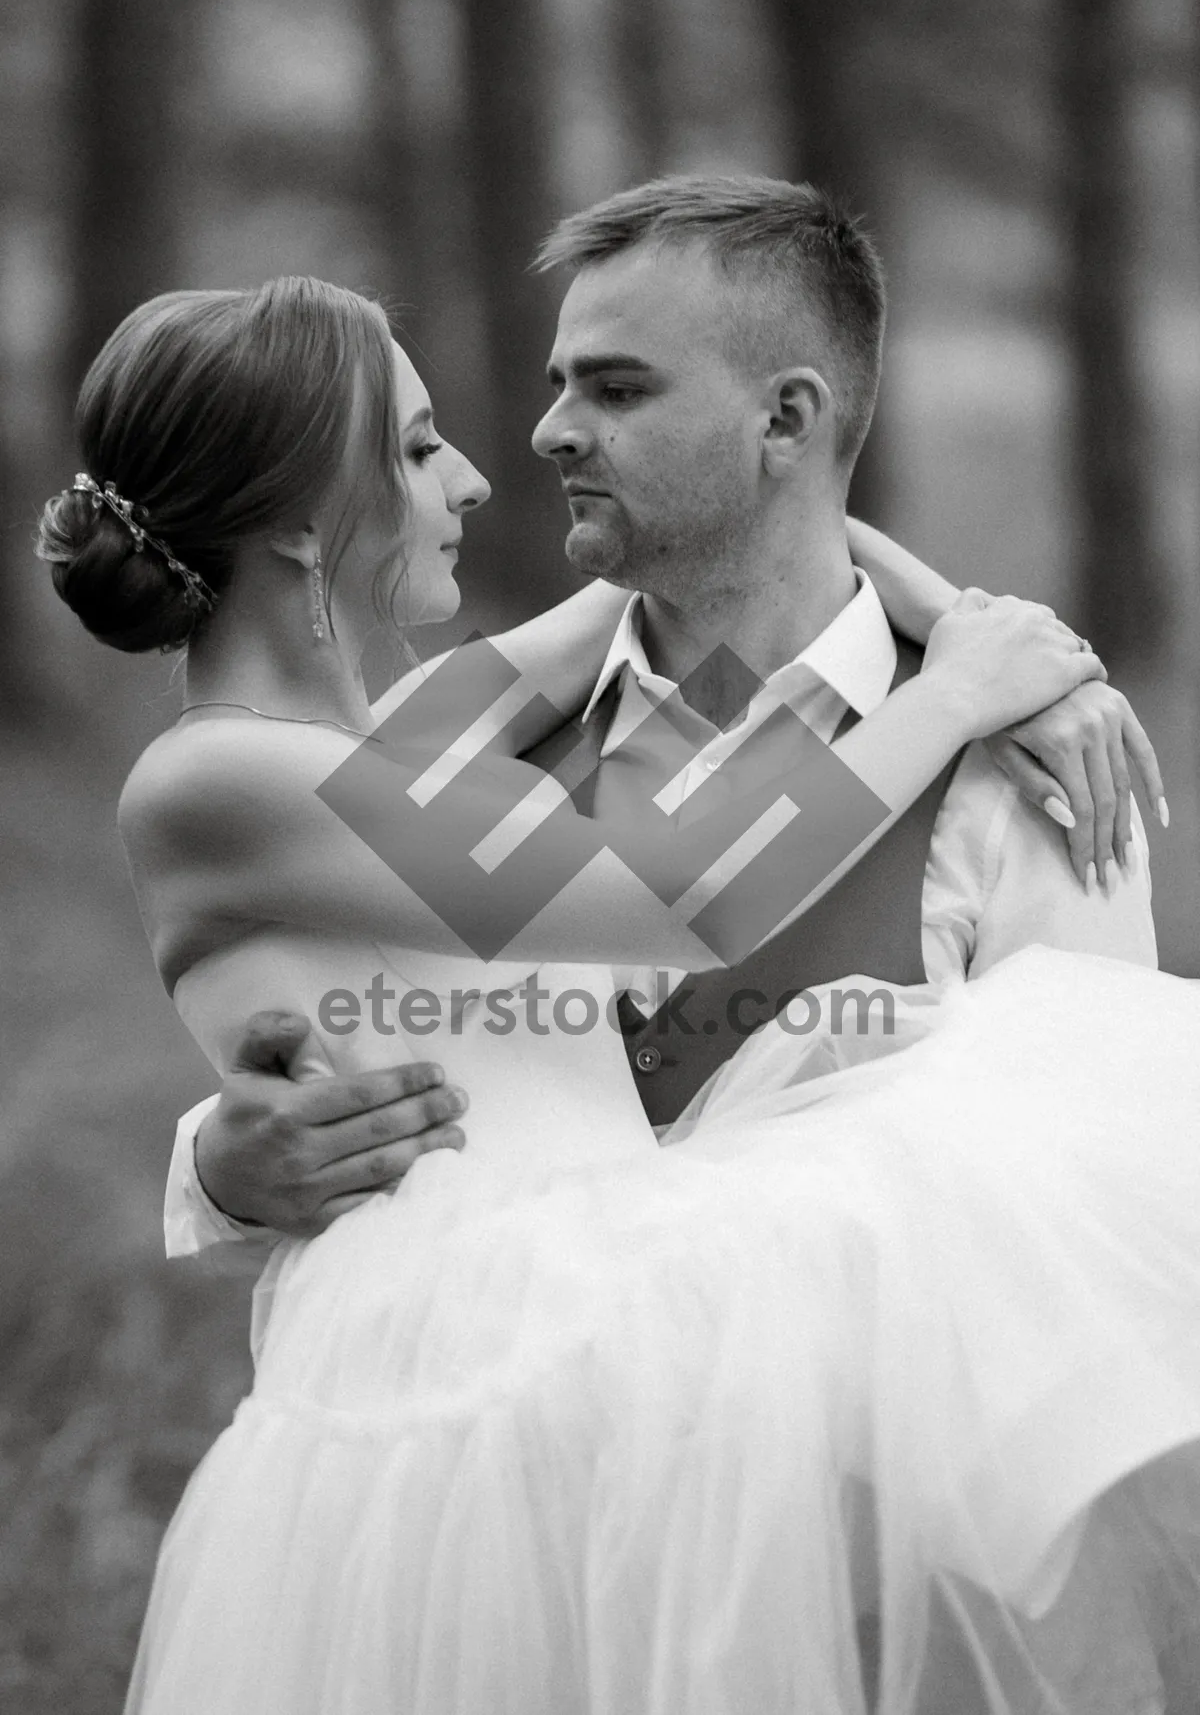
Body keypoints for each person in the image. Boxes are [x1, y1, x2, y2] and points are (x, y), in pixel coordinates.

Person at [40, 264, 1200, 1713]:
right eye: (413, 447)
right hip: (475, 1374)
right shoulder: (218, 775)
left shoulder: (418, 726)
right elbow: (688, 898)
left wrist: (990, 634)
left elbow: (749, 547)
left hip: (619, 1365)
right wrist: (959, 689)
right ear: (296, 520)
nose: (477, 470)